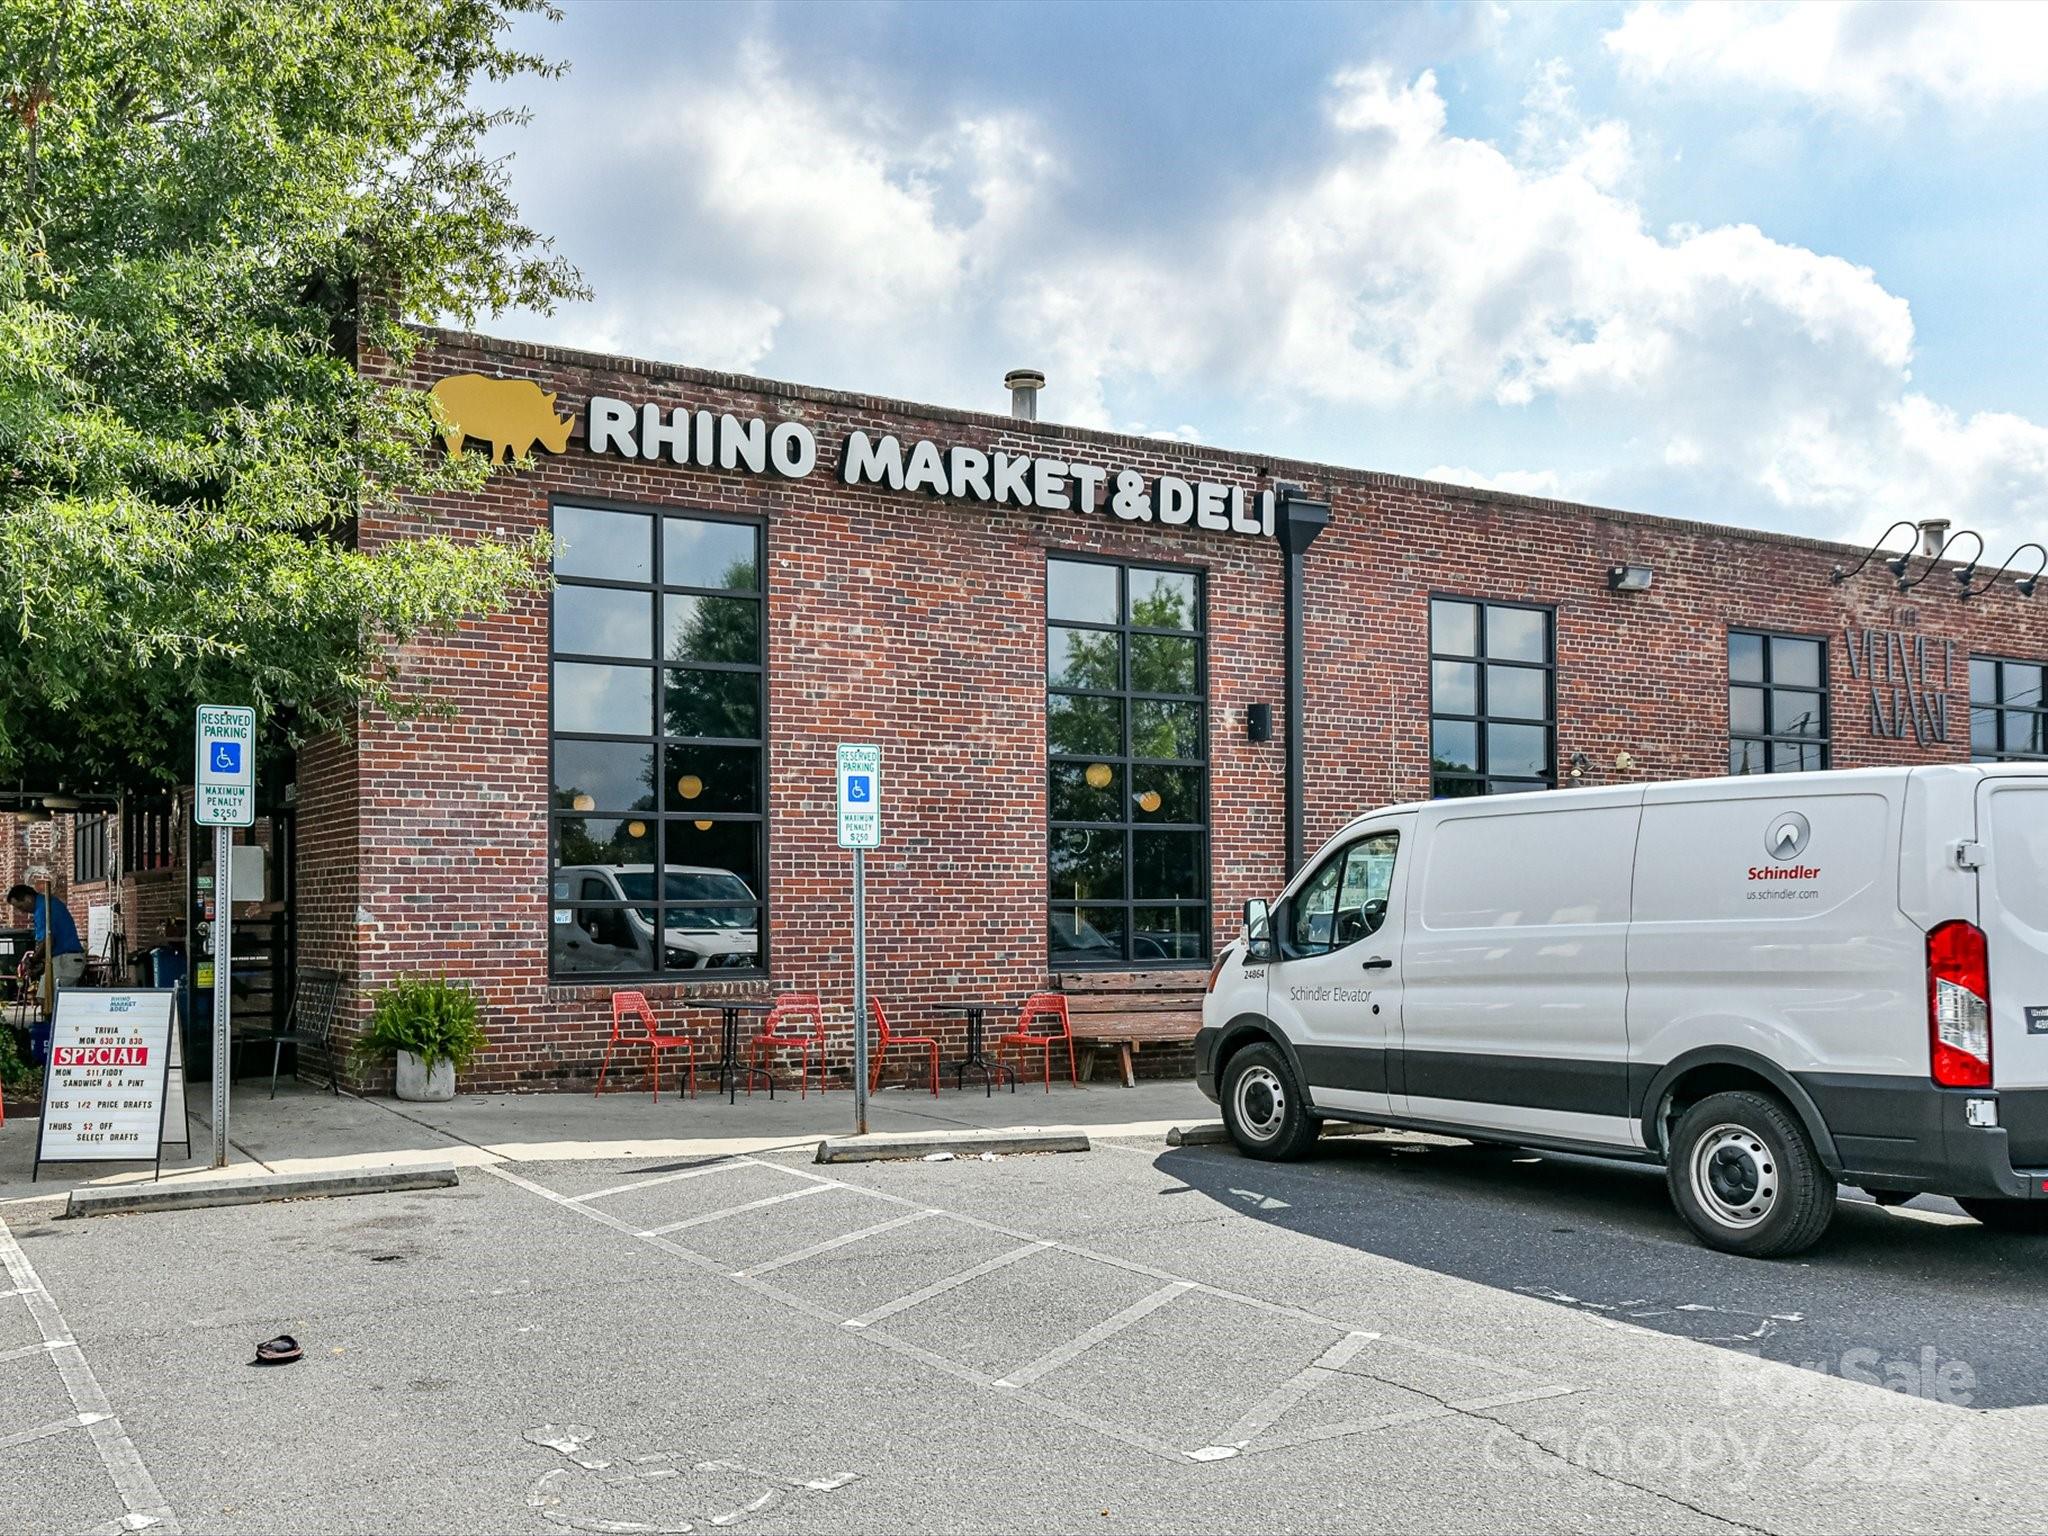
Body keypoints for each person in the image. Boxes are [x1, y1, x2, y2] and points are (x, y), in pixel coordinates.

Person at [5, 884, 86, 988]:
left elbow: (48, 942)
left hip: (65, 960)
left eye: (20, 906)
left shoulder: (42, 909)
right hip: (65, 958)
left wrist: (33, 960)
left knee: (45, 997)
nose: (22, 911)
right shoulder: (47, 903)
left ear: (28, 898)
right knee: (51, 998)